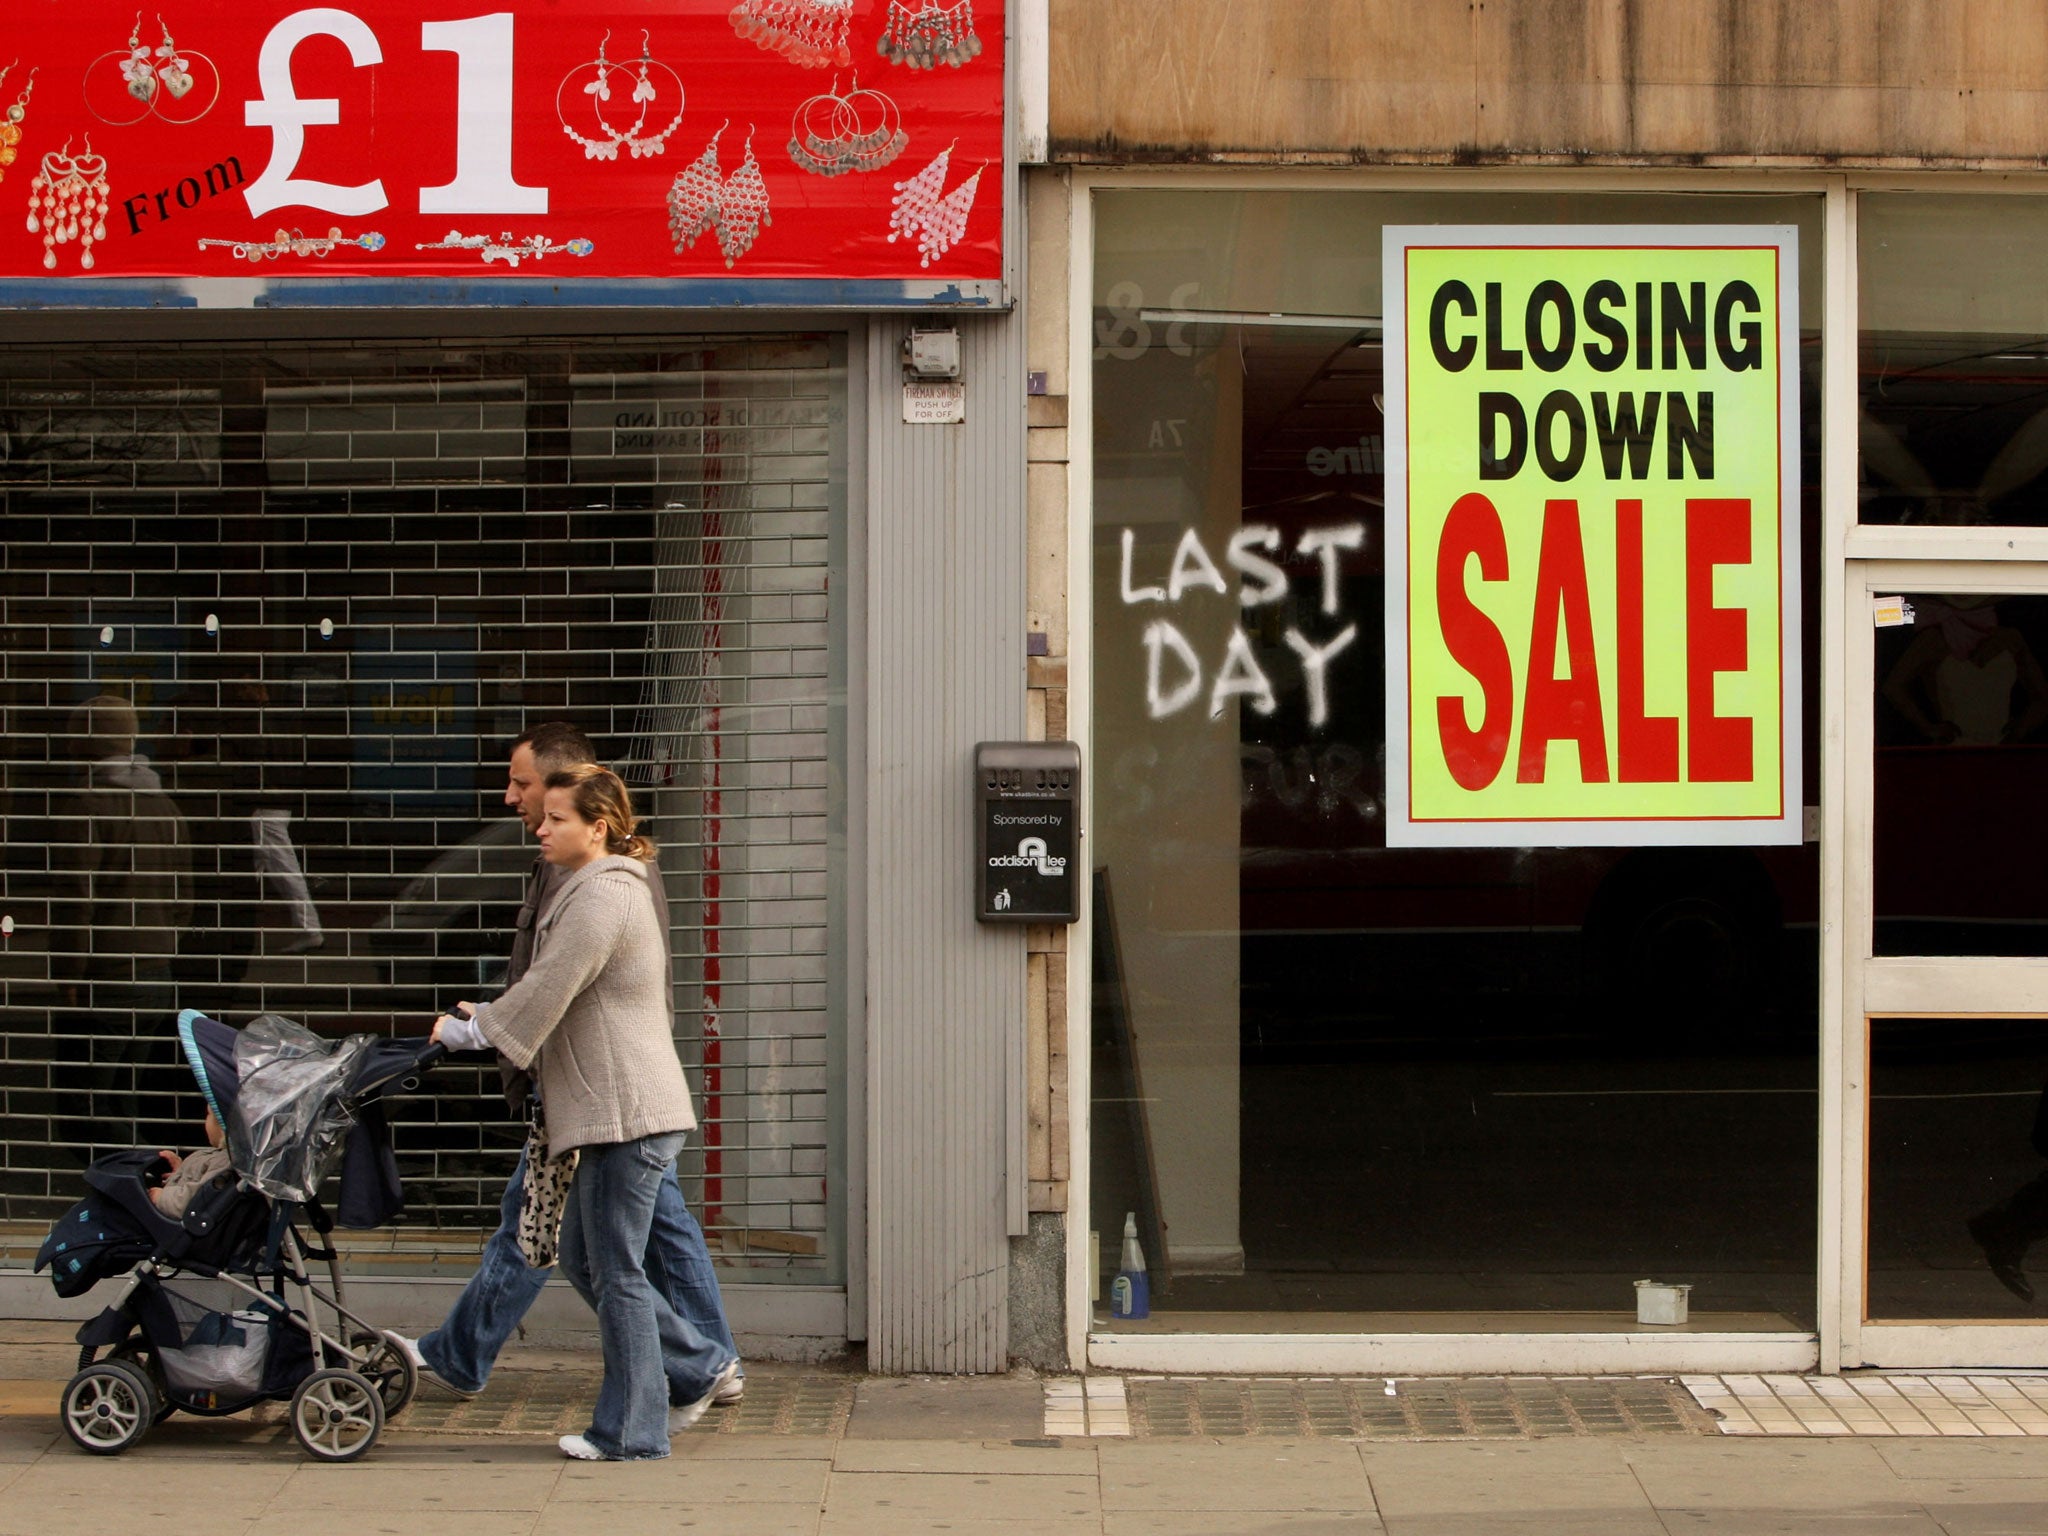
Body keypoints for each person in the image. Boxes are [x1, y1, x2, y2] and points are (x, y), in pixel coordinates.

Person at [393, 724, 739, 1405]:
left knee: (553, 1234)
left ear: (582, 806)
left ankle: (694, 1372)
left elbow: (558, 986)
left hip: (607, 1097)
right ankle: (702, 1366)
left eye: (525, 786)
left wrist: (478, 1032)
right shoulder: (578, 863)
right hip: (599, 1091)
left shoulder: (601, 881)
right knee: (618, 1239)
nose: (512, 800)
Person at [51, 694, 192, 1155]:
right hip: (156, 975)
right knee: (121, 1096)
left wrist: (68, 975)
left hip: (107, 976)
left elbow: (76, 900)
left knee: (86, 1100)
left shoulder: (87, 806)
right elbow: (182, 898)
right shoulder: (164, 807)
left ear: (79, 744)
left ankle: (152, 1176)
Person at [149, 1108, 233, 1219]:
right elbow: (195, 1180)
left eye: (208, 1114)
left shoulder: (223, 1163)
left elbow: (193, 1202)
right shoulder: (214, 1155)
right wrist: (179, 1172)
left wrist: (160, 1197)